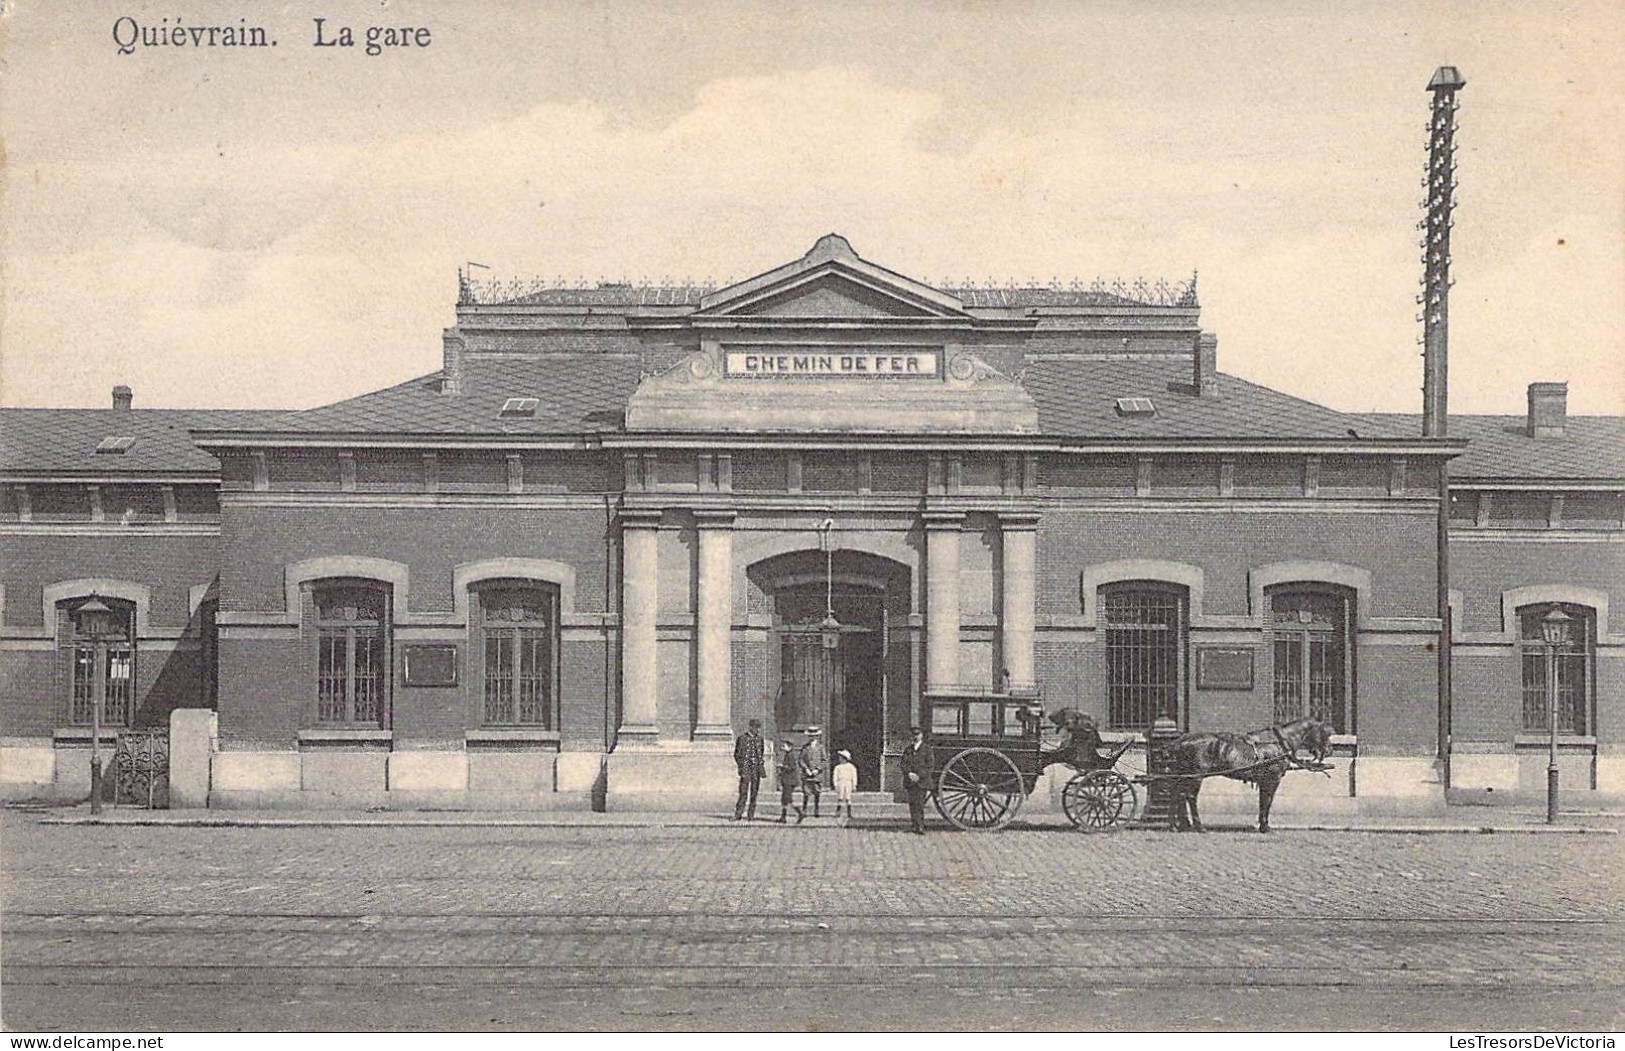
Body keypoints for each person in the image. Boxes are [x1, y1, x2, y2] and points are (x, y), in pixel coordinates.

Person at [901, 724, 933, 835]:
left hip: (922, 781)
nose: (916, 737)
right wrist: (909, 773)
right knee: (912, 804)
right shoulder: (908, 749)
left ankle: (920, 826)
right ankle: (914, 825)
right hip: (910, 781)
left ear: (922, 735)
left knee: (919, 804)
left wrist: (919, 775)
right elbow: (904, 763)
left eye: (918, 734)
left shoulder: (927, 749)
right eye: (914, 734)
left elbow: (930, 766)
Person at [732, 718, 765, 820]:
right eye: (754, 727)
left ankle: (751, 815)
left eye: (757, 728)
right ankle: (738, 814)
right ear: (750, 727)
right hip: (745, 769)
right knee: (743, 792)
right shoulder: (742, 738)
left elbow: (761, 752)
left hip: (756, 769)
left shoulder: (760, 739)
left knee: (754, 793)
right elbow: (737, 754)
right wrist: (741, 766)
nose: (756, 730)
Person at [798, 725, 828, 822]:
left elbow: (824, 761)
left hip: (816, 774)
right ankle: (804, 809)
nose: (812, 738)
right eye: (811, 736)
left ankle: (816, 809)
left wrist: (818, 769)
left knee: (817, 792)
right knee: (806, 793)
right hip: (807, 774)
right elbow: (801, 759)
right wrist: (806, 769)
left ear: (817, 737)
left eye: (814, 736)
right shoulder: (805, 748)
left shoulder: (820, 747)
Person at [776, 741, 801, 824]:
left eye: (784, 746)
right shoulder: (788, 754)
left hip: (789, 781)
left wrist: (782, 766)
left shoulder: (791, 755)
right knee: (786, 799)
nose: (783, 747)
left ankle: (800, 813)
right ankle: (783, 817)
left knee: (787, 800)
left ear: (789, 746)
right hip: (787, 780)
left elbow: (792, 767)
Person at [831, 749, 858, 819]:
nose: (839, 759)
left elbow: (854, 776)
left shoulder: (851, 767)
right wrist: (835, 784)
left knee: (848, 797)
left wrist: (854, 784)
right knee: (840, 797)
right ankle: (838, 812)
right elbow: (835, 776)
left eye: (841, 757)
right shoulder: (838, 767)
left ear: (845, 759)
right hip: (841, 782)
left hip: (848, 782)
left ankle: (849, 813)